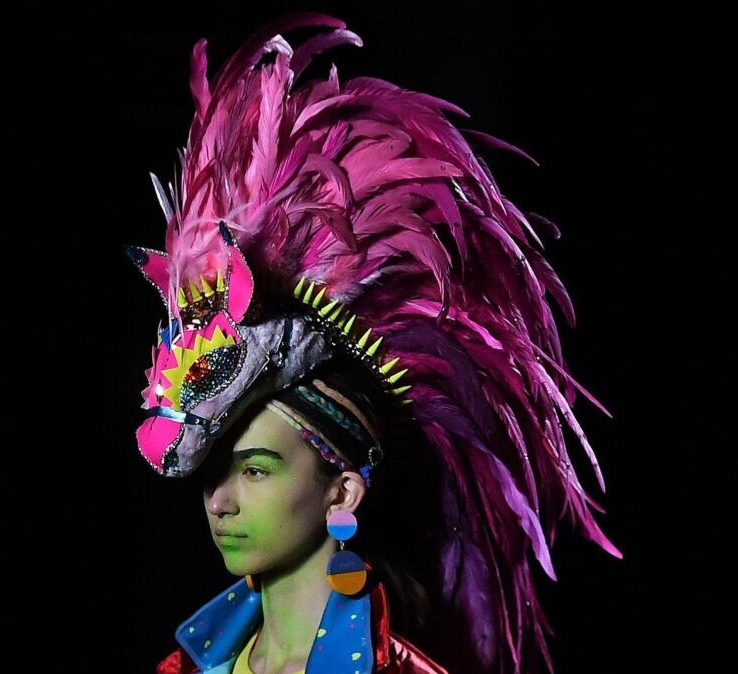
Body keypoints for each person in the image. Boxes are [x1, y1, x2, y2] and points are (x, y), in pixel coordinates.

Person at [122, 11, 623, 674]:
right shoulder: (184, 666)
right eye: (216, 470)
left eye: (256, 469)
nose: (220, 500)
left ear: (343, 494)